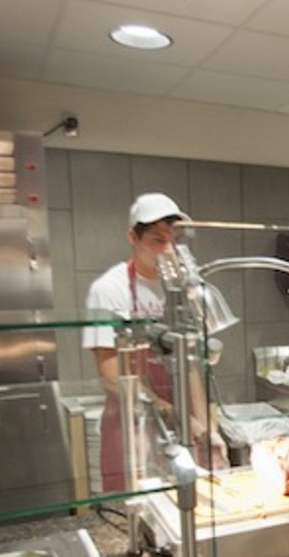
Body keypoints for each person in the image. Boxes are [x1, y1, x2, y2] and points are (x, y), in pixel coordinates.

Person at [83, 192, 227, 492]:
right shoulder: (109, 289)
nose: (167, 249)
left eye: (173, 239)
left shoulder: (180, 290)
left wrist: (208, 429)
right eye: (157, 240)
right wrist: (181, 418)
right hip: (131, 431)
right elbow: (112, 377)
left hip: (181, 432)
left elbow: (190, 368)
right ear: (132, 237)